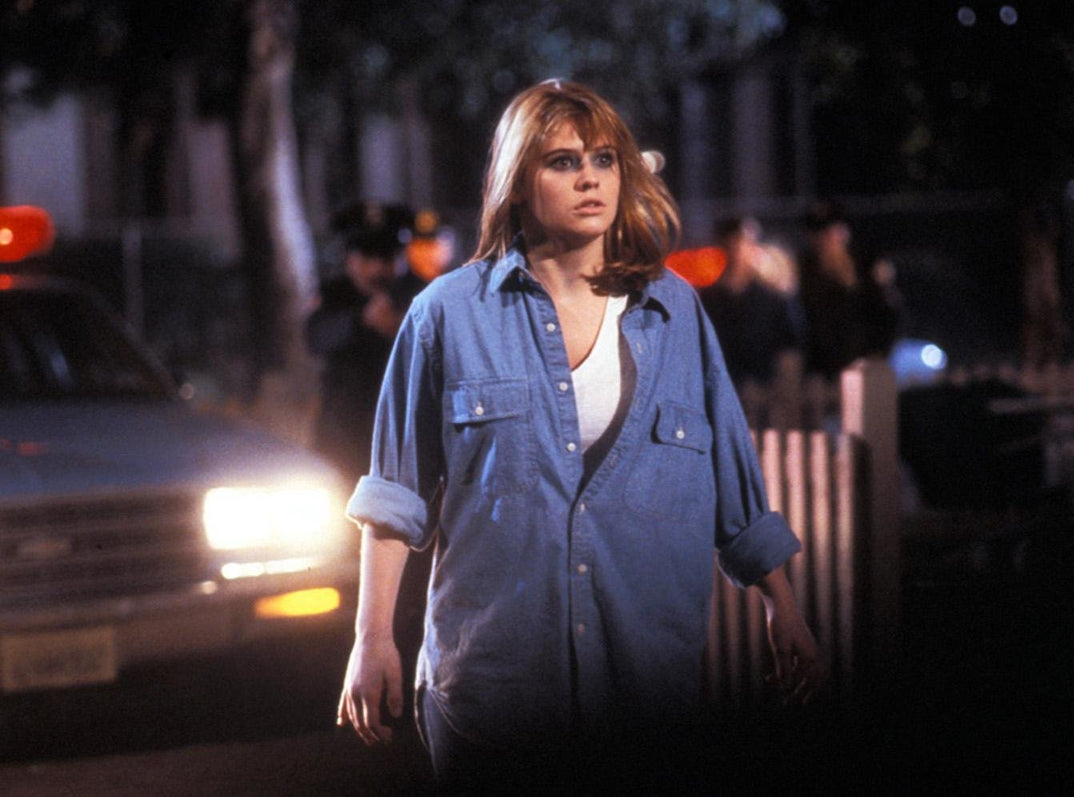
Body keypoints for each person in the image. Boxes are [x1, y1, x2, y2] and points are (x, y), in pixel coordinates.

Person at [336, 79, 824, 790]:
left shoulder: (674, 310)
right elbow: (394, 494)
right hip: (498, 691)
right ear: (517, 181)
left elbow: (730, 473)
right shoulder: (447, 314)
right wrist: (371, 637)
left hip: (648, 684)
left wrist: (784, 605)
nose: (589, 178)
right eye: (562, 161)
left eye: (603, 159)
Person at [304, 200, 423, 485]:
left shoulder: (422, 294)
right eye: (367, 257)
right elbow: (316, 338)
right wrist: (360, 321)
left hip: (406, 441)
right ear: (350, 258)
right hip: (343, 438)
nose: (378, 269)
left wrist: (402, 328)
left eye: (387, 257)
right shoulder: (334, 293)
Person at [700, 215, 804, 428]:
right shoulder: (708, 300)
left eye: (746, 243)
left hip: (765, 398)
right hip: (722, 399)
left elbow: (789, 349)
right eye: (734, 242)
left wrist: (783, 395)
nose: (740, 250)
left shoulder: (772, 298)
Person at [799, 200, 900, 383]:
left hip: (866, 366)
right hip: (823, 372)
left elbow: (889, 315)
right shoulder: (805, 273)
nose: (827, 241)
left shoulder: (866, 268)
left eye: (832, 232)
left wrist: (879, 353)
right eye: (820, 235)